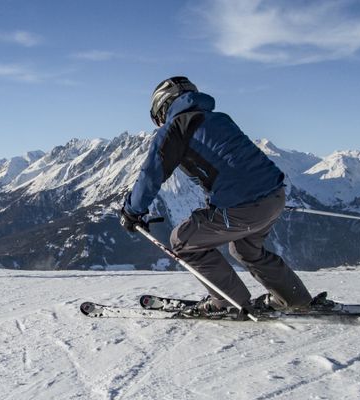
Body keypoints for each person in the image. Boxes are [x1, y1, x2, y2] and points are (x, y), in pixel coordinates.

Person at [120, 76, 329, 318]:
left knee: (182, 240)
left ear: (163, 107)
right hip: (275, 196)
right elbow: (234, 167)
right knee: (246, 250)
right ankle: (294, 298)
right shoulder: (220, 119)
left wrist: (132, 211)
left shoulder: (176, 128)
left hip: (244, 206)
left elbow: (151, 175)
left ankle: (227, 301)